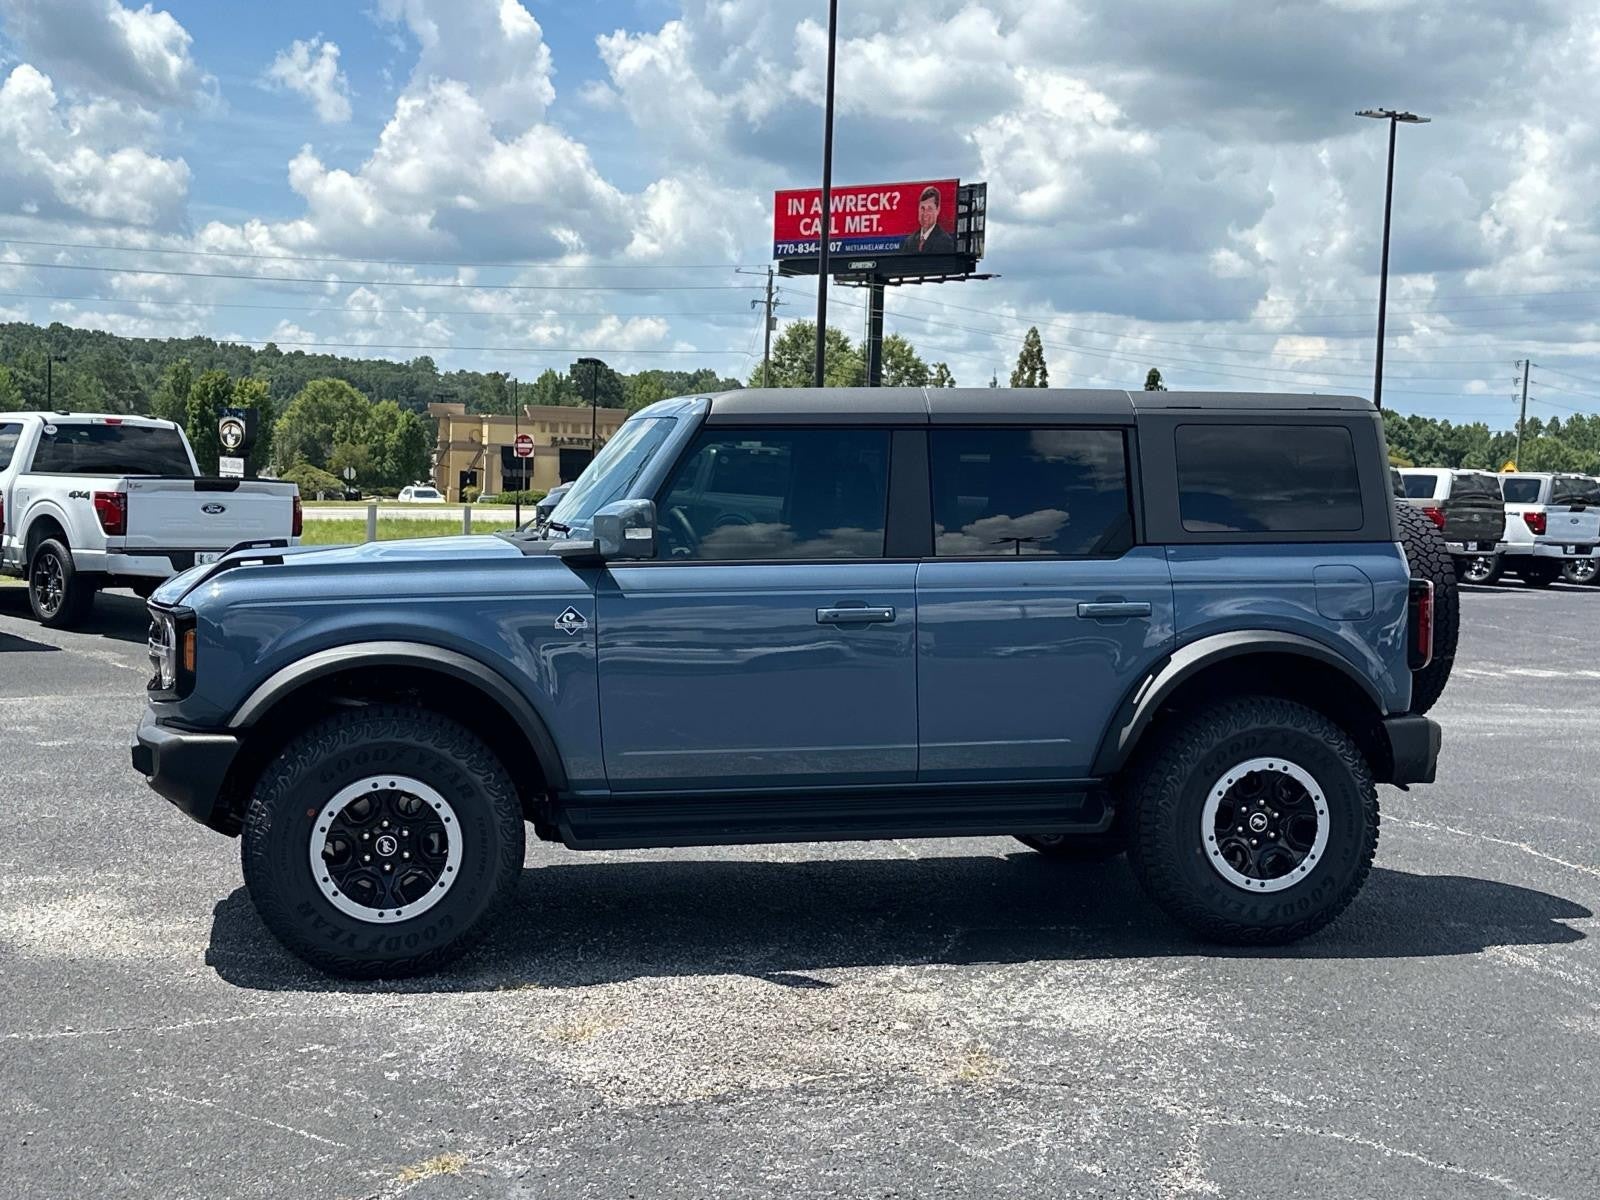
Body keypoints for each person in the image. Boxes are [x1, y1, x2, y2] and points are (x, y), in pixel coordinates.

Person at [898, 186, 955, 253]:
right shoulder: (909, 242)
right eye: (922, 208)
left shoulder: (945, 241)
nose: (925, 213)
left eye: (929, 209)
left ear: (938, 210)